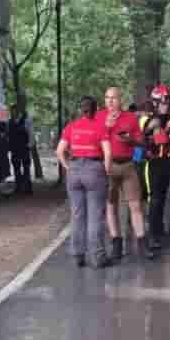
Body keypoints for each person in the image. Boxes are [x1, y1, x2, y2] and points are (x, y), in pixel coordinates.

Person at [56, 96, 113, 268]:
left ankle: (77, 255)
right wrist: (106, 171)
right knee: (95, 215)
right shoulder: (99, 127)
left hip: (74, 170)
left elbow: (60, 151)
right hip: (94, 170)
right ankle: (97, 257)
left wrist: (68, 167)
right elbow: (108, 153)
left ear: (81, 109)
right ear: (95, 109)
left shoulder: (71, 126)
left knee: (77, 214)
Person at [98, 87, 148, 262]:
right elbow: (95, 139)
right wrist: (107, 127)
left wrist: (130, 139)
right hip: (108, 165)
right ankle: (116, 243)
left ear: (121, 100)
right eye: (107, 98)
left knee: (135, 206)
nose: (110, 101)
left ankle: (142, 244)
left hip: (127, 165)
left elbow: (142, 141)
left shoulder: (130, 117)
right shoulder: (99, 117)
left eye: (113, 98)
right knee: (110, 206)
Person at [141, 84, 170, 251]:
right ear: (155, 103)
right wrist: (152, 133)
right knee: (154, 199)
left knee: (162, 198)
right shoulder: (148, 119)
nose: (166, 106)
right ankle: (152, 235)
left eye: (168, 103)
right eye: (163, 102)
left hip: (167, 162)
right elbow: (140, 140)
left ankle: (159, 229)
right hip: (152, 163)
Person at [8, 103, 34, 195]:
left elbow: (30, 133)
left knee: (26, 168)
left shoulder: (26, 120)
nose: (13, 113)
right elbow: (9, 136)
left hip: (24, 148)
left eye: (14, 111)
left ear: (18, 112)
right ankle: (18, 187)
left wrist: (30, 145)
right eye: (12, 111)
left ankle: (28, 188)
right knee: (16, 169)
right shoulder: (10, 121)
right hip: (15, 149)